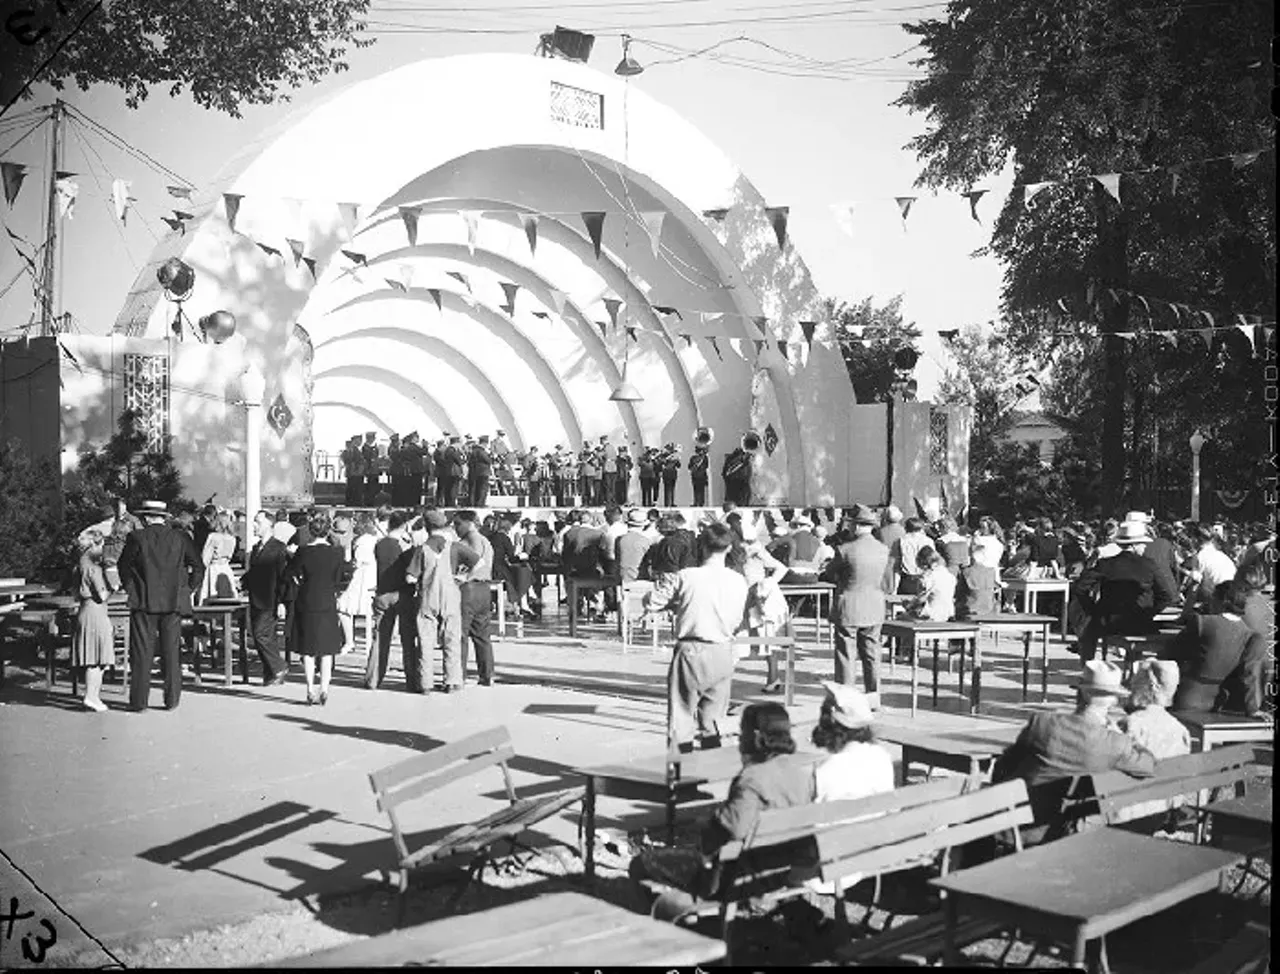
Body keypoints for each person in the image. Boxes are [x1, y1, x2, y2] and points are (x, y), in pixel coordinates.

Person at [645, 703, 817, 922]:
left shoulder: (753, 778)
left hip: (741, 876)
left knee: (641, 864)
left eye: (741, 732)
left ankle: (678, 929)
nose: (739, 739)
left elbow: (731, 829)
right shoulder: (800, 773)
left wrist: (706, 822)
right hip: (785, 868)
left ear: (755, 736)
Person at [993, 661, 1156, 838]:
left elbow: (1003, 767)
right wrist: (1127, 738)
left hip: (1016, 828)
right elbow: (1149, 764)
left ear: (1081, 692)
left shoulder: (1043, 723)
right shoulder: (1115, 744)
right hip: (1067, 834)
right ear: (1114, 700)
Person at [644, 522, 749, 753]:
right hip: (723, 651)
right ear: (729, 548)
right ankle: (710, 773)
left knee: (681, 719)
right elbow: (738, 618)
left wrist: (676, 603)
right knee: (714, 723)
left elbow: (652, 602)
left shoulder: (686, 576)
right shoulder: (739, 581)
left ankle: (680, 778)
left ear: (701, 545)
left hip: (691, 651)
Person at [117, 500, 204, 713]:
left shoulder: (137, 537)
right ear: (164, 517)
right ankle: (172, 699)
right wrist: (187, 590)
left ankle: (139, 701)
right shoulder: (180, 538)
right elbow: (198, 566)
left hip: (144, 601)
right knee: (172, 651)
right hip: (173, 601)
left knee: (141, 652)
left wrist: (131, 588)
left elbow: (123, 567)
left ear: (147, 518)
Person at [1071, 520, 1178, 661]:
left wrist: (1092, 609)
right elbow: (1168, 595)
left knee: (1088, 631)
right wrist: (1150, 611)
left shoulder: (1106, 564)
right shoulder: (1149, 565)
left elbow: (1080, 588)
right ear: (1135, 545)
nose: (1145, 547)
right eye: (1143, 543)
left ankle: (1088, 669)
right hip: (1139, 621)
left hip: (1107, 621)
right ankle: (1134, 668)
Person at [1162, 578, 1269, 715]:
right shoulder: (1250, 636)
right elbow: (1248, 676)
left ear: (1221, 601)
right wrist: (1253, 709)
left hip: (1190, 697)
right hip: (1223, 703)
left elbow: (1172, 652)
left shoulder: (1202, 623)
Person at [820, 505, 890, 708]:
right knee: (872, 653)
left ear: (857, 526)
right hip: (874, 606)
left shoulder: (845, 550)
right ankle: (873, 696)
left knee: (846, 654)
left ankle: (846, 697)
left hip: (849, 606)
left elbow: (831, 574)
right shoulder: (883, 550)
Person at [1114, 660, 1191, 824]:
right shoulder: (1181, 731)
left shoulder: (1130, 725)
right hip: (1162, 812)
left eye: (1136, 679)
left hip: (1128, 813)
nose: (1130, 684)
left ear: (1148, 686)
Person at [406, 509, 474, 693]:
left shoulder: (421, 549)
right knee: (452, 638)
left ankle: (425, 683)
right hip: (451, 595)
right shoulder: (455, 547)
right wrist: (464, 577)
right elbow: (479, 563)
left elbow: (410, 578)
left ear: (427, 527)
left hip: (428, 597)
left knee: (426, 640)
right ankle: (452, 681)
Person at [286, 511, 345, 705]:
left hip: (307, 601)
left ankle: (310, 688)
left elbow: (290, 573)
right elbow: (339, 578)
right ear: (328, 531)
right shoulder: (337, 552)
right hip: (328, 601)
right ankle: (325, 689)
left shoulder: (303, 551)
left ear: (311, 531)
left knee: (308, 650)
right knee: (327, 650)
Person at [365, 511, 413, 690]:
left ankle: (373, 679)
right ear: (404, 526)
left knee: (380, 638)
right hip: (402, 594)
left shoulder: (380, 544)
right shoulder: (404, 546)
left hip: (382, 592)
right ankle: (412, 680)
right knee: (408, 639)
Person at [242, 511, 290, 686]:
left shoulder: (279, 548)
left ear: (269, 525)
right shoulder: (256, 548)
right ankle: (271, 675)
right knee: (265, 636)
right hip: (255, 597)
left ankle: (279, 666)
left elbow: (283, 577)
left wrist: (282, 602)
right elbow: (255, 573)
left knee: (260, 634)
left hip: (270, 600)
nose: (254, 525)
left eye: (258, 522)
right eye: (254, 522)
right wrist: (243, 582)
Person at [73, 531, 114, 712]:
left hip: (84, 609)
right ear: (93, 546)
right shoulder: (94, 568)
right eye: (100, 545)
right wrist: (114, 586)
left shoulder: (79, 565)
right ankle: (91, 696)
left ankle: (93, 696)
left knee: (93, 656)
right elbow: (103, 594)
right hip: (96, 612)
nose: (102, 549)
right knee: (97, 658)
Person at [454, 511, 496, 687]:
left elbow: (474, 559)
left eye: (457, 524)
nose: (455, 528)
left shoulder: (471, 539)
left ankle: (458, 675)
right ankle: (487, 675)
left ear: (468, 523)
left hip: (468, 589)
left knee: (460, 635)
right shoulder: (486, 540)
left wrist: (461, 576)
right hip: (484, 589)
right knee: (482, 635)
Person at [337, 512, 377, 655]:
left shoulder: (359, 542)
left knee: (342, 607)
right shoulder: (375, 539)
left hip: (361, 579)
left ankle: (349, 641)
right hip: (374, 579)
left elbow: (355, 563)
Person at [198, 510, 240, 604]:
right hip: (226, 568)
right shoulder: (232, 538)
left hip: (213, 569)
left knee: (211, 597)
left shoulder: (213, 536)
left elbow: (205, 558)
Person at [908, 547, 956, 622]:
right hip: (949, 614)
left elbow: (921, 600)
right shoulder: (950, 576)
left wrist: (909, 605)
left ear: (924, 565)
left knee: (900, 617)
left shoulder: (927, 578)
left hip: (932, 616)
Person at [895, 518, 933, 595]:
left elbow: (897, 565)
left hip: (907, 579)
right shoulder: (928, 541)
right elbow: (932, 563)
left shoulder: (901, 541)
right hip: (925, 578)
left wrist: (894, 588)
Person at [616, 508, 654, 583]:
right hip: (639, 578)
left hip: (620, 578)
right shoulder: (646, 541)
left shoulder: (618, 539)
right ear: (644, 526)